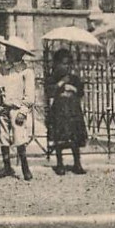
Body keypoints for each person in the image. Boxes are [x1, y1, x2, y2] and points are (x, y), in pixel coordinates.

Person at [0, 35, 36, 181]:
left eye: (10, 50)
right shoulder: (3, 70)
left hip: (17, 109)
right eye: (7, 50)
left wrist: (23, 111)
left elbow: (29, 95)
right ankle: (7, 167)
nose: (7, 53)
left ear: (19, 53)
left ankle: (25, 168)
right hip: (4, 108)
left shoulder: (26, 72)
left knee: (19, 138)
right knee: (3, 137)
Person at [46, 47, 88, 175]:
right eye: (63, 63)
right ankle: (60, 163)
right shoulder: (53, 77)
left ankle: (77, 163)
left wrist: (73, 88)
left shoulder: (74, 78)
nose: (66, 67)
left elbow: (81, 92)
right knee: (60, 137)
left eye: (68, 63)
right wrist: (60, 84)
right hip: (60, 109)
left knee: (74, 137)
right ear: (57, 64)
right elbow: (49, 92)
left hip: (73, 109)